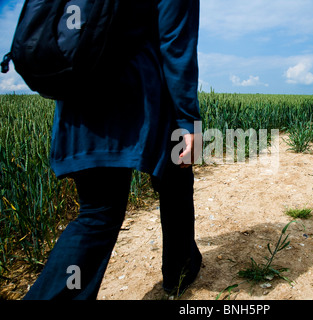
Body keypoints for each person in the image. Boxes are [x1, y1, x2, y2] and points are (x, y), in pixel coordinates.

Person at [23, 0, 203, 300]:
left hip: (77, 93)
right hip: (135, 97)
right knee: (177, 173)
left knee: (97, 212)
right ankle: (179, 271)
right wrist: (188, 119)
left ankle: (182, 265)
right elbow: (176, 44)